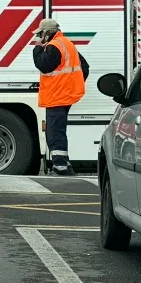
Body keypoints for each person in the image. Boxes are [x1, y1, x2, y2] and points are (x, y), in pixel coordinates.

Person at [31, 18, 89, 177]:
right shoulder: (67, 44)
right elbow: (84, 67)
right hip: (64, 95)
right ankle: (65, 164)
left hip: (56, 96)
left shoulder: (54, 46)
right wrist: (71, 85)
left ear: (47, 33)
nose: (39, 37)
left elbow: (43, 65)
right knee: (58, 130)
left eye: (40, 34)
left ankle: (60, 167)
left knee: (54, 132)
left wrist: (37, 48)